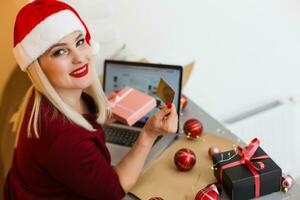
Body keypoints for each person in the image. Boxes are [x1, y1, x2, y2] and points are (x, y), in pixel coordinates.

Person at [4, 0, 178, 199]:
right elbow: (114, 191)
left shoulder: (40, 98)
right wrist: (148, 135)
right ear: (38, 68)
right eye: (60, 51)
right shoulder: (65, 140)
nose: (79, 57)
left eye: (79, 42)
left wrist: (101, 115)